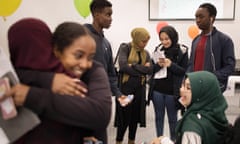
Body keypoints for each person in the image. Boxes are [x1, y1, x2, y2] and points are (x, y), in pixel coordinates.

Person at [3, 18, 112, 143]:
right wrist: (48, 80)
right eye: (78, 55)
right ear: (55, 51)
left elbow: (100, 115)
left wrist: (31, 94)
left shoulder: (77, 83)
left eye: (91, 57)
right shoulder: (13, 86)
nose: (85, 64)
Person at [150, 71, 229, 144]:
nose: (181, 90)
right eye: (183, 85)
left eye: (188, 88)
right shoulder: (216, 117)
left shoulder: (192, 128)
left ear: (201, 94)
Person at [148, 25, 188, 141]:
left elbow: (184, 71)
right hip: (157, 90)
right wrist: (157, 65)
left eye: (167, 39)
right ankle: (159, 140)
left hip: (173, 92)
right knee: (159, 118)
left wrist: (171, 65)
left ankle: (174, 140)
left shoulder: (182, 51)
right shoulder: (158, 50)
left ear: (173, 37)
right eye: (162, 39)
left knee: (173, 119)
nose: (164, 42)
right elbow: (152, 70)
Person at [114, 27, 153, 144]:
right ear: (136, 39)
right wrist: (142, 68)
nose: (145, 44)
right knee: (124, 118)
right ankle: (119, 141)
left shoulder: (146, 53)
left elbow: (150, 70)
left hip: (139, 90)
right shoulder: (125, 48)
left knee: (135, 118)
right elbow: (124, 66)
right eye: (143, 41)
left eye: (147, 41)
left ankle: (132, 141)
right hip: (126, 89)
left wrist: (134, 66)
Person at [187, 3, 235, 92]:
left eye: (201, 17)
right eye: (196, 17)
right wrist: (187, 78)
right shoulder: (196, 40)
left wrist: (213, 77)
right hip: (194, 86)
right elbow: (190, 64)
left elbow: (230, 66)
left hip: (212, 87)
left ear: (212, 18)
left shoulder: (224, 40)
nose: (197, 20)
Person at [84, 0, 125, 98]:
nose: (111, 19)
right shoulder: (83, 36)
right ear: (96, 15)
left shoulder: (106, 43)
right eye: (108, 15)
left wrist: (118, 94)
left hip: (101, 95)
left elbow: (111, 73)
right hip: (85, 95)